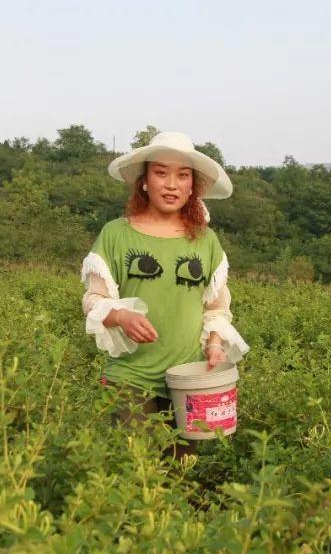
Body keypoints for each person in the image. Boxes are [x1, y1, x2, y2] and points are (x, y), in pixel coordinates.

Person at [80, 131, 249, 444]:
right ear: (144, 181)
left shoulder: (205, 240)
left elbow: (216, 307)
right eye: (161, 173)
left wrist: (214, 344)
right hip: (131, 377)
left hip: (189, 377)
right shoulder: (116, 234)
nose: (172, 184)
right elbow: (94, 299)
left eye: (182, 176)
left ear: (191, 187)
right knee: (139, 468)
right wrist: (120, 316)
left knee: (181, 470)